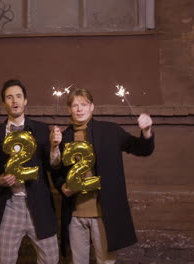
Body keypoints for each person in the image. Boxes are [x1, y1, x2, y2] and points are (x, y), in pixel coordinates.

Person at [54, 88, 154, 264]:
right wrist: (62, 186)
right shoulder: (63, 137)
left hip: (103, 214)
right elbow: (57, 172)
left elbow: (141, 148)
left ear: (92, 107)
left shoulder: (110, 131)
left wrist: (146, 132)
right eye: (75, 105)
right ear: (69, 109)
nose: (79, 109)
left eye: (84, 104)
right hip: (75, 216)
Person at [0, 79, 60, 264]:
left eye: (18, 96)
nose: (14, 101)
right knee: (5, 260)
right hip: (10, 205)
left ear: (25, 101)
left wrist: (54, 148)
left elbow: (53, 166)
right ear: (4, 103)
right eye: (9, 97)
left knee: (50, 259)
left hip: (39, 204)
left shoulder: (42, 131)